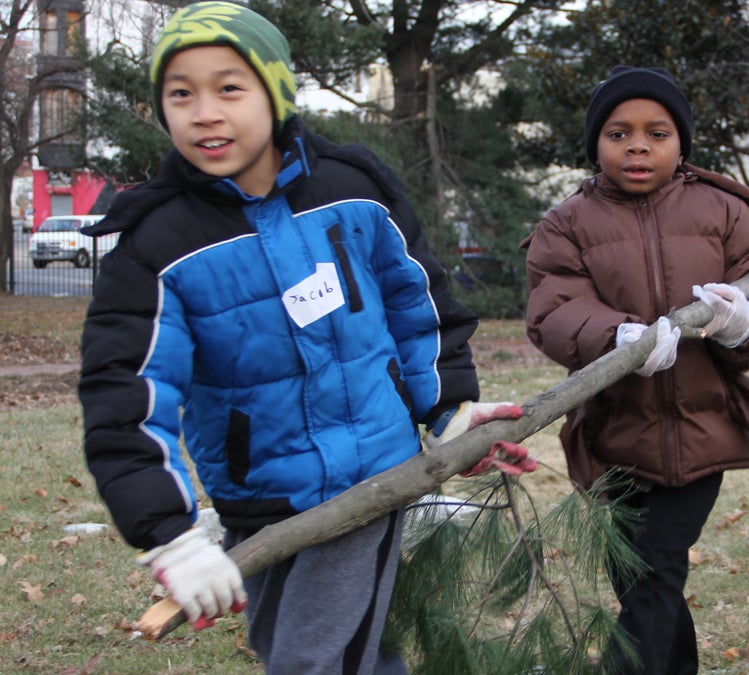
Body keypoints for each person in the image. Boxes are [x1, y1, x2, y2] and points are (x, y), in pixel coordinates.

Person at [76, 3, 533, 673]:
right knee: (329, 652)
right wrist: (169, 535)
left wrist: (451, 408)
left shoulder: (356, 191)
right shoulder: (156, 246)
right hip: (257, 494)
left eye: (229, 87)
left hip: (368, 478)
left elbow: (419, 304)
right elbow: (125, 398)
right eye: (181, 93)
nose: (204, 112)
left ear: (276, 89)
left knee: (311, 661)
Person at [522, 65, 749, 675]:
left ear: (682, 143)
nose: (638, 146)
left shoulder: (725, 212)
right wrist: (616, 337)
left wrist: (741, 324)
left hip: (705, 430)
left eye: (657, 133)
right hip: (614, 437)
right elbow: (554, 310)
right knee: (644, 583)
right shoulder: (567, 223)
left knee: (656, 571)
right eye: (618, 133)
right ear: (596, 144)